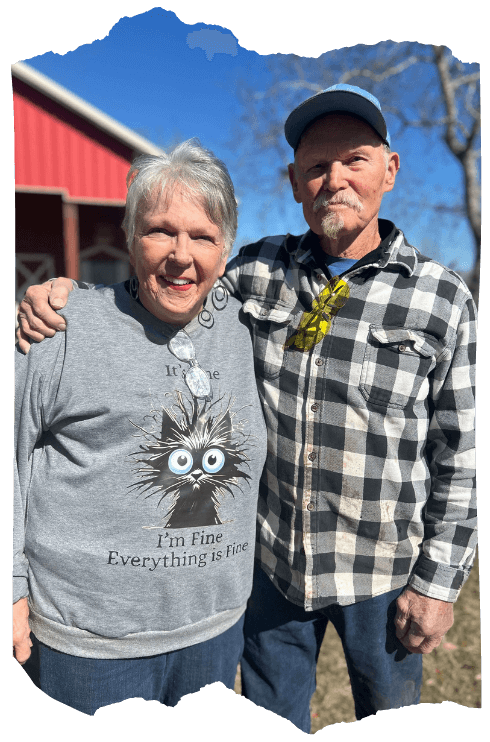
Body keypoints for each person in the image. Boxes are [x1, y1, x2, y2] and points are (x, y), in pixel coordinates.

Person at [17, 85, 477, 732]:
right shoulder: (255, 274)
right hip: (272, 576)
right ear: (293, 182)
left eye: (354, 161)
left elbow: (463, 454)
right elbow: (169, 280)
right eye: (316, 167)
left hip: (382, 573)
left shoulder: (442, 300)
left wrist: (437, 584)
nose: (334, 180)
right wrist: (70, 297)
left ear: (390, 170)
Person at [13, 140, 268, 716]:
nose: (182, 255)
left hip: (214, 631)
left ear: (225, 249)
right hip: (88, 649)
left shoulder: (244, 323)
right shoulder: (61, 328)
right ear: (130, 239)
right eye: (159, 231)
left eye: (202, 237)